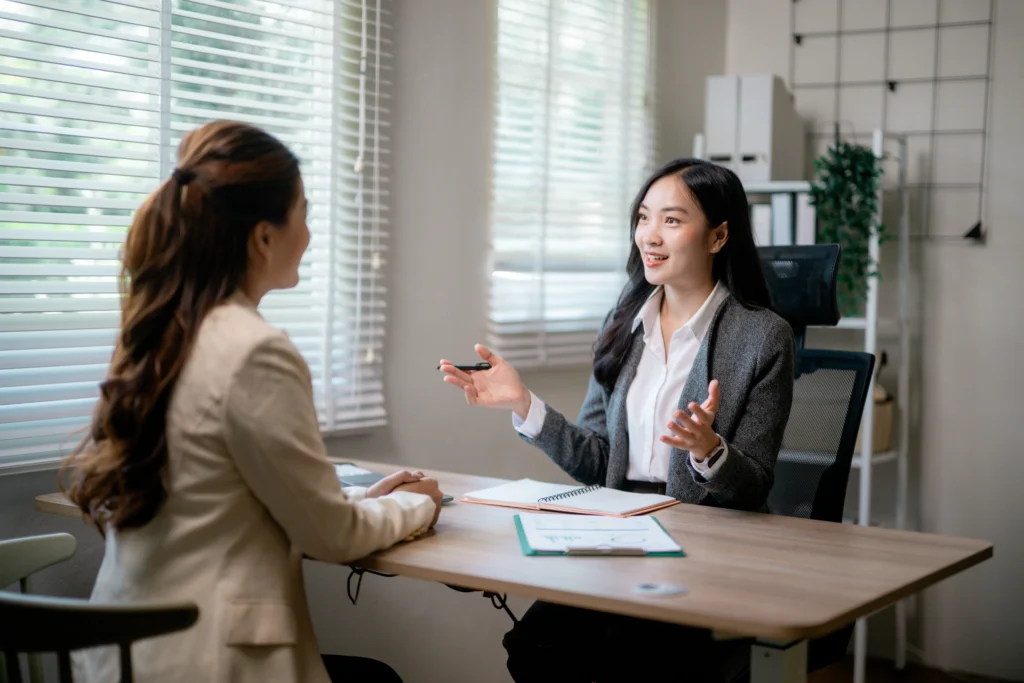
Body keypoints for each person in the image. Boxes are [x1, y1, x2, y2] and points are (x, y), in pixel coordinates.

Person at [64, 120, 443, 683]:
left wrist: (354, 497)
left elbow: (215, 491)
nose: (310, 236)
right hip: (209, 659)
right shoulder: (255, 351)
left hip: (123, 655)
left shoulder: (159, 330)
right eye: (304, 215)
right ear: (264, 236)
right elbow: (332, 538)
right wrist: (418, 505)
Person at [439, 158, 795, 682]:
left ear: (719, 236)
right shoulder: (624, 323)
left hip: (705, 543)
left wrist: (708, 451)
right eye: (644, 218)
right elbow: (599, 461)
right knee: (536, 646)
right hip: (620, 531)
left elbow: (754, 486)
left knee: (624, 658)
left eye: (672, 221)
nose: (650, 235)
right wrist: (524, 404)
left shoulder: (764, 337)